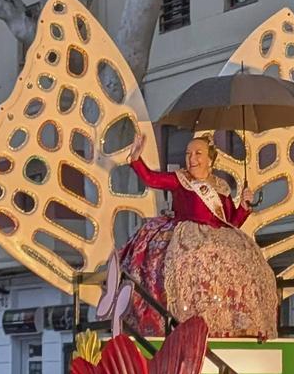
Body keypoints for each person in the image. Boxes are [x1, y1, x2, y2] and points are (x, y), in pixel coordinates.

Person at [118, 129, 278, 339]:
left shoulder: (220, 187)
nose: (192, 159)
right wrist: (137, 159)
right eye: (188, 154)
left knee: (244, 263)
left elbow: (232, 222)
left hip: (217, 239)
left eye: (198, 153)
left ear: (210, 160)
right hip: (186, 237)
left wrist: (245, 206)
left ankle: (237, 324)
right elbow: (151, 179)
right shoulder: (180, 179)